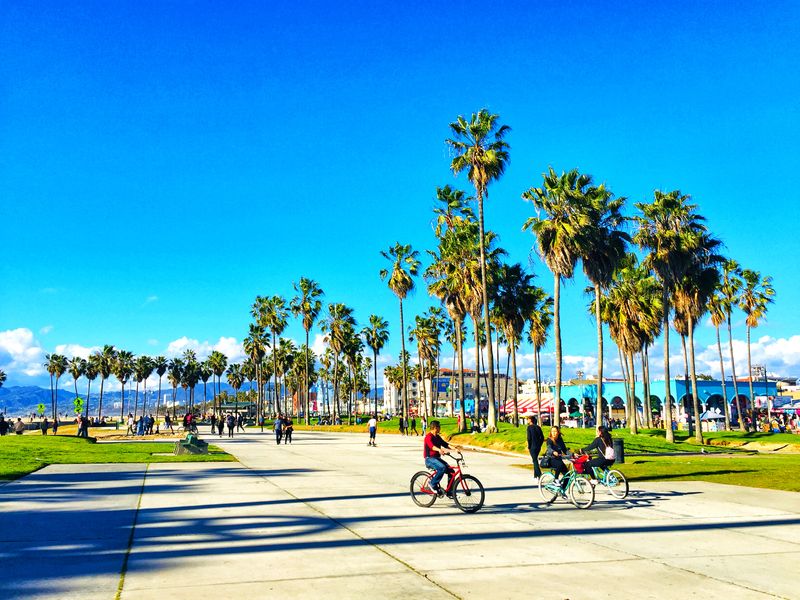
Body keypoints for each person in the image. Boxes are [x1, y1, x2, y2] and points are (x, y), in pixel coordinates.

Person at [423, 420, 462, 496]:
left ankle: (450, 491)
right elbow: (432, 447)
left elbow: (445, 444)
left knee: (451, 471)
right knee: (442, 468)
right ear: (435, 428)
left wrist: (455, 449)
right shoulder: (428, 437)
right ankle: (432, 484)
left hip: (437, 459)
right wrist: (439, 450)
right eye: (439, 426)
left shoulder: (437, 437)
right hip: (429, 459)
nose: (440, 428)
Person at [526, 415, 545, 483]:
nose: (527, 420)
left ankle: (539, 475)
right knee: (535, 460)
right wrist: (539, 444)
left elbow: (529, 438)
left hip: (532, 447)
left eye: (528, 419)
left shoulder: (529, 428)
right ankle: (535, 476)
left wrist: (529, 446)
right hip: (538, 446)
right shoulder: (538, 427)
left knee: (534, 461)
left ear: (531, 420)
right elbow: (542, 438)